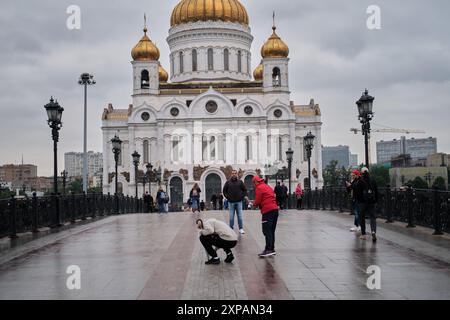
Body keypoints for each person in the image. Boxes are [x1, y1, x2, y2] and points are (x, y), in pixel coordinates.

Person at [252, 176, 279, 257]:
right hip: (275, 210)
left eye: (253, 183)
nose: (253, 185)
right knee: (271, 230)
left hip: (267, 211)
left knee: (266, 230)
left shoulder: (259, 188)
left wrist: (253, 204)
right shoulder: (267, 186)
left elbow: (258, 201)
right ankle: (271, 248)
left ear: (256, 182)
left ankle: (269, 249)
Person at [354, 167, 379, 242]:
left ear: (362, 173)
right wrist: (376, 201)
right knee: (373, 217)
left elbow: (357, 193)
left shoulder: (360, 181)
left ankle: (363, 234)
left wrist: (358, 201)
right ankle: (373, 231)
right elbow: (376, 192)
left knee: (362, 218)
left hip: (362, 203)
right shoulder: (373, 180)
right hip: (372, 202)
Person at [223, 170, 248, 234]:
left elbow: (245, 190)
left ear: (236, 174)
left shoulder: (240, 182)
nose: (234, 174)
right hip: (231, 202)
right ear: (231, 174)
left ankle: (241, 228)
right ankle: (231, 228)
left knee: (240, 216)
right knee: (231, 217)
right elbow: (224, 191)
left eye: (235, 173)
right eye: (232, 173)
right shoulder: (228, 182)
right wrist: (227, 197)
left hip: (239, 202)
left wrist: (242, 196)